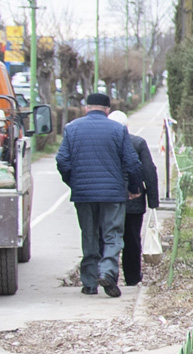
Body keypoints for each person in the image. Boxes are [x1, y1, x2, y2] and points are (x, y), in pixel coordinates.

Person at [56, 92, 141, 297]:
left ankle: (89, 283)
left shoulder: (71, 128)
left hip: (84, 194)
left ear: (86, 108)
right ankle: (108, 272)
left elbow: (62, 161)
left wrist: (73, 183)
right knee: (112, 235)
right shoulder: (118, 129)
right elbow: (132, 162)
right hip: (112, 194)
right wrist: (134, 188)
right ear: (107, 110)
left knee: (89, 235)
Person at [107, 110, 160, 286]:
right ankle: (132, 277)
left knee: (109, 237)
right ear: (127, 127)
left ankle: (109, 274)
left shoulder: (104, 144)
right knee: (132, 239)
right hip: (133, 199)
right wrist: (153, 201)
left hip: (109, 200)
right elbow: (149, 171)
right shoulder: (137, 143)